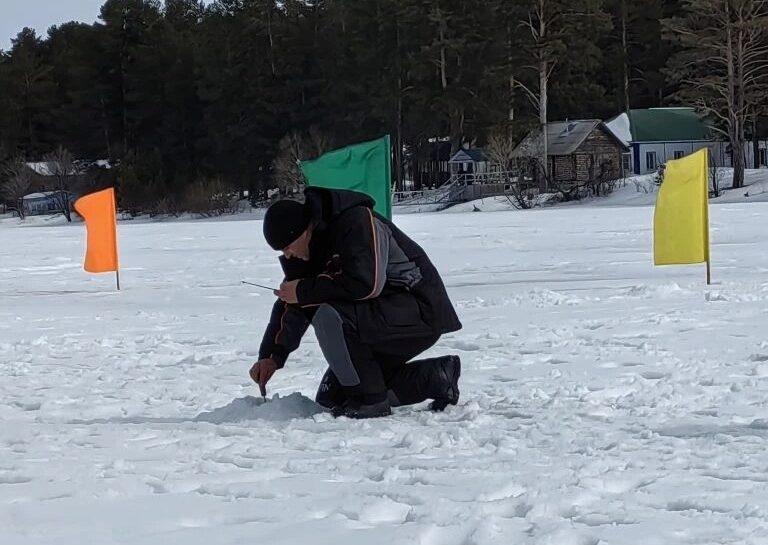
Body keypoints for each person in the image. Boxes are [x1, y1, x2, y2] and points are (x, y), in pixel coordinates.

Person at [250, 187, 462, 418]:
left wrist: (302, 291)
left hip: (420, 309)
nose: (287, 255)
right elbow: (294, 302)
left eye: (287, 247)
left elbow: (367, 283)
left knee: (329, 316)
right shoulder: (311, 248)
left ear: (303, 230)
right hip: (381, 319)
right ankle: (436, 377)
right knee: (333, 397)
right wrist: (271, 356)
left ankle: (371, 402)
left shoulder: (355, 221)